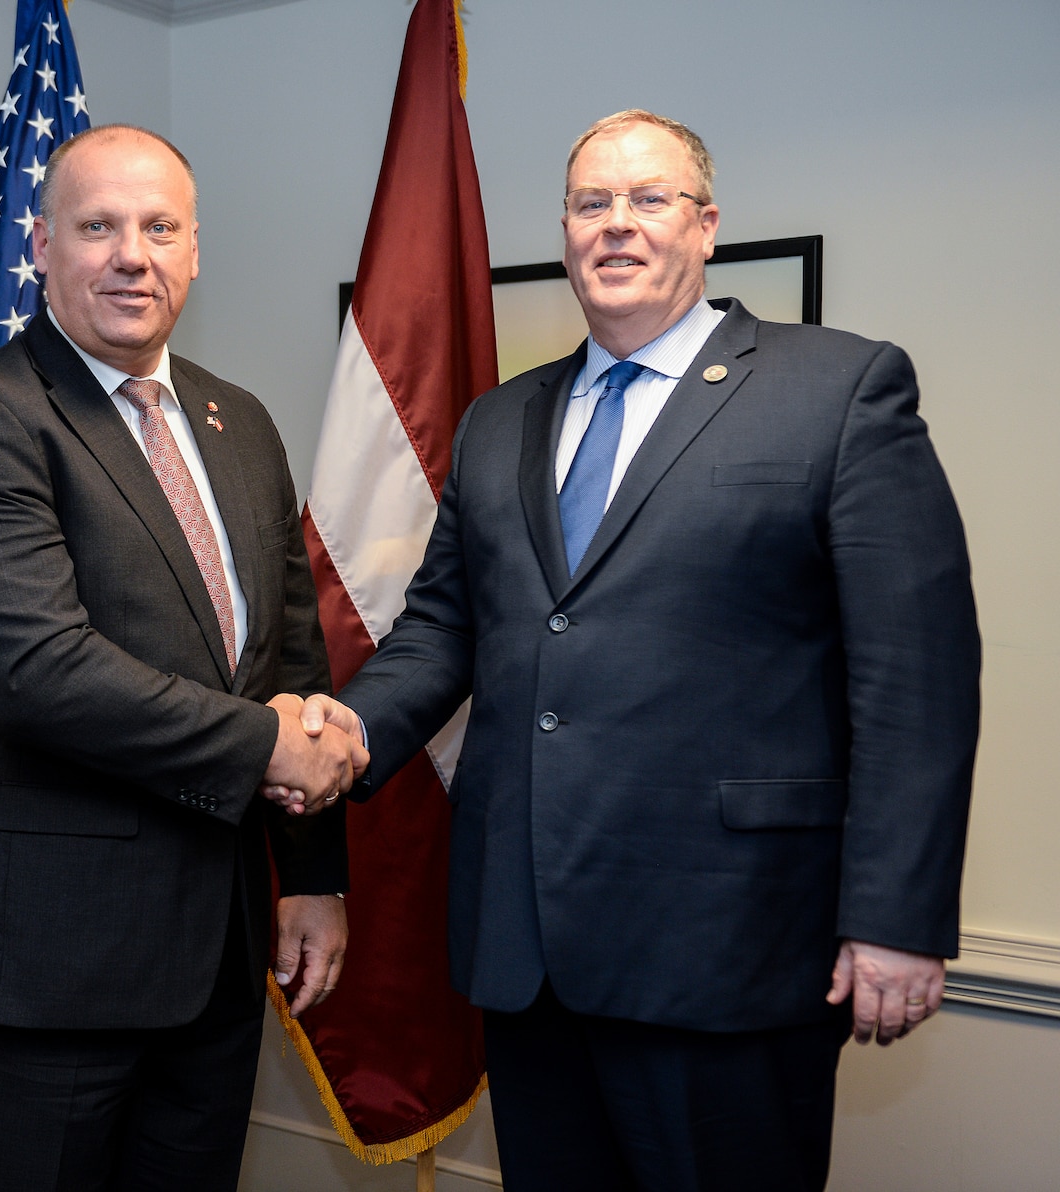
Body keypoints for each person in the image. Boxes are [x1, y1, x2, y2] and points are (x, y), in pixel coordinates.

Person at [288, 110, 980, 1191]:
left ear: (704, 228)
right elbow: (441, 628)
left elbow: (916, 678)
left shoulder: (837, 391)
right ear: (564, 231)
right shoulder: (498, 422)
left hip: (732, 948)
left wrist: (894, 916)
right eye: (589, 203)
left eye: (647, 199)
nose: (616, 225)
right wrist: (344, 732)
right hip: (527, 954)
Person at [0, 124, 366, 1192]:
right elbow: (38, 672)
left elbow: (291, 654)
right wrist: (269, 750)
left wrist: (315, 877)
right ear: (42, 247)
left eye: (158, 227)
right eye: (97, 226)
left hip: (220, 950)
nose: (130, 254)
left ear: (195, 250)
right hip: (49, 959)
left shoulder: (236, 422)